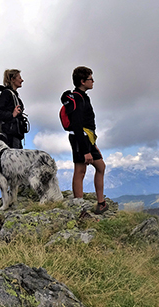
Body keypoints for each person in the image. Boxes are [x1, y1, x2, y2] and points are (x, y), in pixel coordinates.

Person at [61, 66, 107, 215]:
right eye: (90, 79)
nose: (93, 81)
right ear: (82, 81)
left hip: (87, 139)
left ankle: (101, 203)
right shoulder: (78, 99)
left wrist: (94, 146)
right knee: (80, 171)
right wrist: (86, 150)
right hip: (80, 138)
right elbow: (77, 125)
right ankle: (79, 209)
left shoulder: (84, 97)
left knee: (100, 166)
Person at [0, 69, 27, 148]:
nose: (22, 80)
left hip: (16, 136)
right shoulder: (6, 93)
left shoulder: (14, 95)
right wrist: (12, 115)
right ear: (12, 80)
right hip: (10, 137)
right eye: (19, 78)